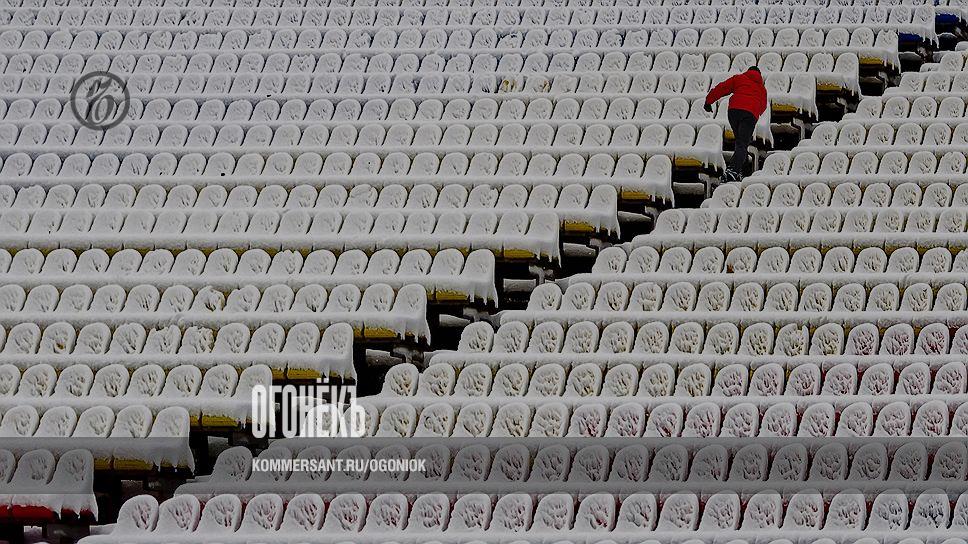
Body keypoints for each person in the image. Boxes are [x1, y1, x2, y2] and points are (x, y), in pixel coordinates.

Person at [703, 66, 768, 182]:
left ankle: (740, 171)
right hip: (750, 114)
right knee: (742, 144)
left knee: (740, 143)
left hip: (734, 111)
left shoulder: (739, 78)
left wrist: (708, 101)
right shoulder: (762, 88)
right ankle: (733, 170)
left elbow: (722, 88)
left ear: (748, 71)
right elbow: (763, 106)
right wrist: (754, 112)